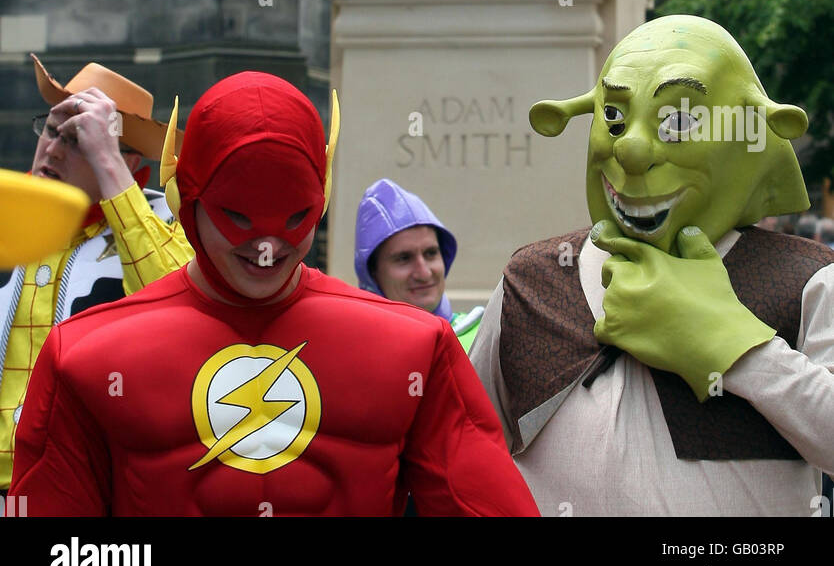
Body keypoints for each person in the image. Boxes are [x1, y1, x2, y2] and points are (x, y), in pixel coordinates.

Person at [10, 72, 539, 516]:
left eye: (292, 217)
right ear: (184, 194)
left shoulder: (417, 347)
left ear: (323, 194)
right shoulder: (82, 356)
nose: (265, 249)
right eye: (237, 217)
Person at [470, 15, 834, 517]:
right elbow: (464, 444)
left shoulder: (808, 280)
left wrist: (740, 350)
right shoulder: (531, 280)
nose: (631, 149)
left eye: (679, 120)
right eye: (615, 118)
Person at [0, 55, 191, 496]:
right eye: (50, 130)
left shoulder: (165, 222)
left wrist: (110, 171)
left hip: (89, 496)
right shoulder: (8, 212)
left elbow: (180, 309)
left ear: (122, 158)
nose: (52, 150)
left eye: (77, 140)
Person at [354, 178, 483, 352]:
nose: (424, 273)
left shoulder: (486, 340)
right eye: (404, 258)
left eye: (431, 253)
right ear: (372, 273)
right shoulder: (354, 351)